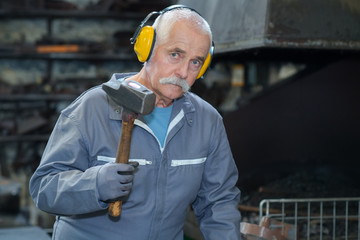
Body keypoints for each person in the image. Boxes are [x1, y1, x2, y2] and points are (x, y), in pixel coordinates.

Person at [29, 5, 241, 240]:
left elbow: (218, 202)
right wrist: (94, 184)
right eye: (175, 54)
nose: (183, 71)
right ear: (146, 47)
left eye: (195, 62)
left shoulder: (206, 121)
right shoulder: (92, 109)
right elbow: (44, 188)